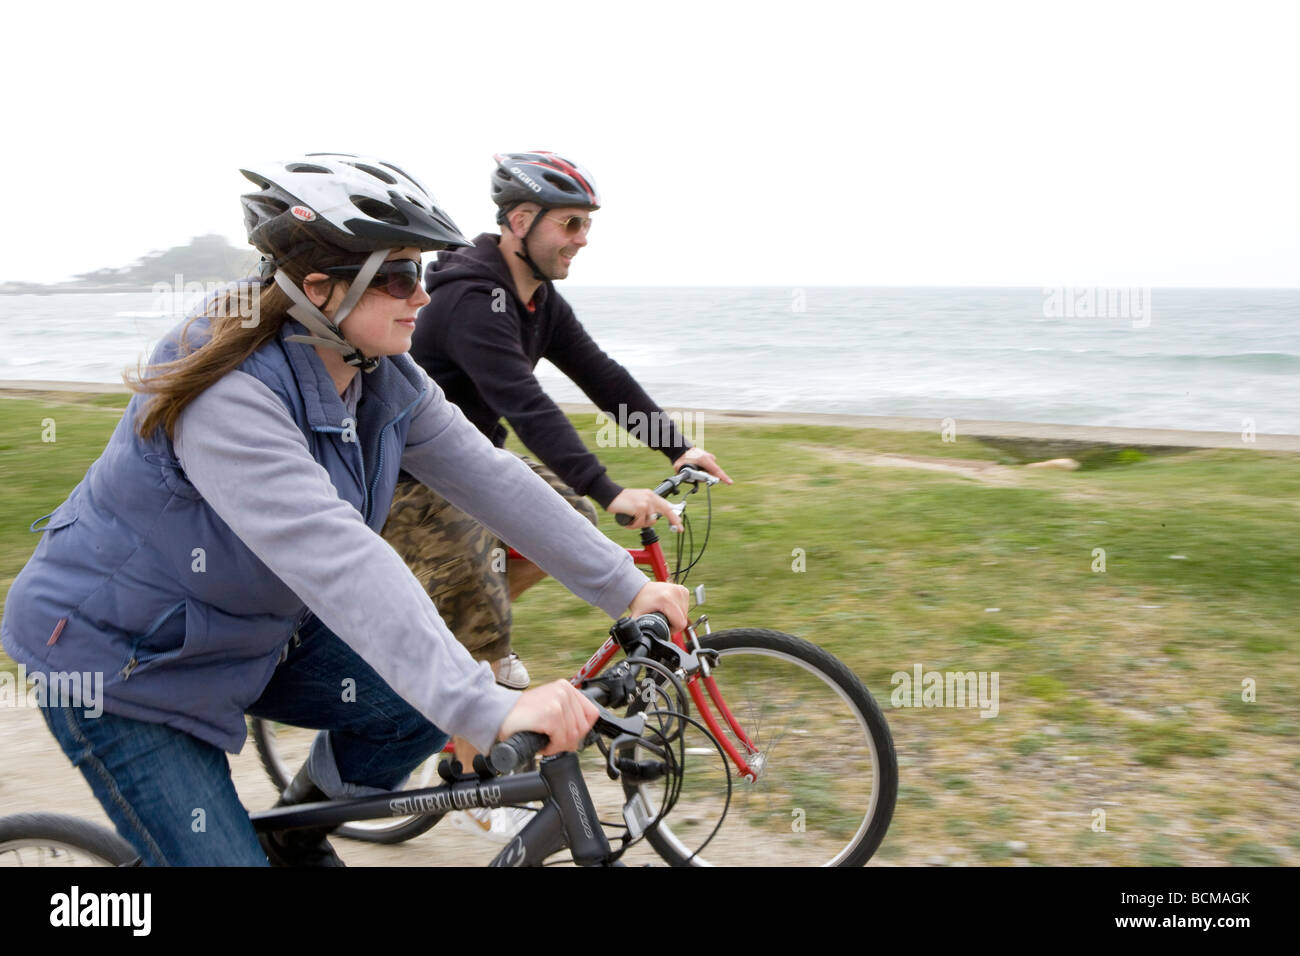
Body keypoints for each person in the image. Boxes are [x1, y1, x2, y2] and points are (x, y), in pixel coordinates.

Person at [0, 153, 688, 867]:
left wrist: (627, 585)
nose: (420, 296)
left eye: (419, 270)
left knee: (414, 706)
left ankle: (296, 837)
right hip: (123, 665)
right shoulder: (229, 396)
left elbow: (489, 476)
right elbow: (339, 557)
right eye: (397, 276)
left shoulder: (377, 371)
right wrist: (486, 710)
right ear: (320, 289)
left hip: (246, 632)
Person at [378, 151, 730, 837]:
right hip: (407, 481)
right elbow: (528, 407)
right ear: (519, 220)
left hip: (469, 471)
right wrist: (610, 486)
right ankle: (483, 783)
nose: (581, 239)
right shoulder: (472, 300)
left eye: (585, 226)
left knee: (572, 523)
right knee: (486, 620)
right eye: (570, 224)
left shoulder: (536, 299)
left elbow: (602, 374)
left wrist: (676, 446)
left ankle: (451, 652)